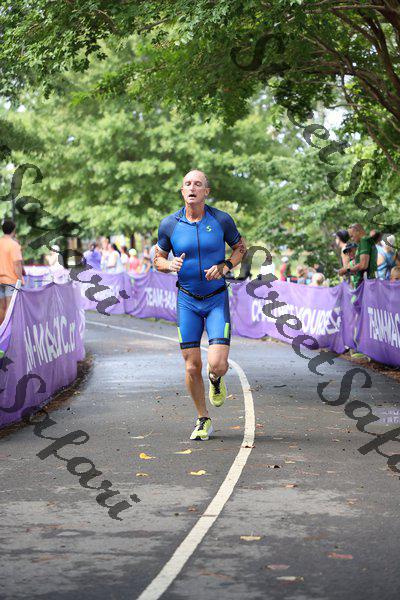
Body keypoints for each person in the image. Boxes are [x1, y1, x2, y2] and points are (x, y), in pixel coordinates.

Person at [154, 169, 246, 441]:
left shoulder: (221, 220)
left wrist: (226, 265)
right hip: (187, 301)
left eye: (197, 184)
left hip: (216, 298)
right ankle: (203, 418)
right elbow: (157, 259)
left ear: (206, 191)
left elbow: (240, 248)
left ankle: (215, 379)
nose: (192, 188)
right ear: (182, 191)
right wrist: (169, 265)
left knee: (217, 364)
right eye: (187, 184)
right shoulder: (169, 224)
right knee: (192, 366)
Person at [0, 220, 23, 324]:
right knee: (9, 307)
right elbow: (17, 265)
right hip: (11, 280)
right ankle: (7, 332)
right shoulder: (14, 245)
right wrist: (20, 279)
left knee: (1, 307)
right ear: (14, 230)